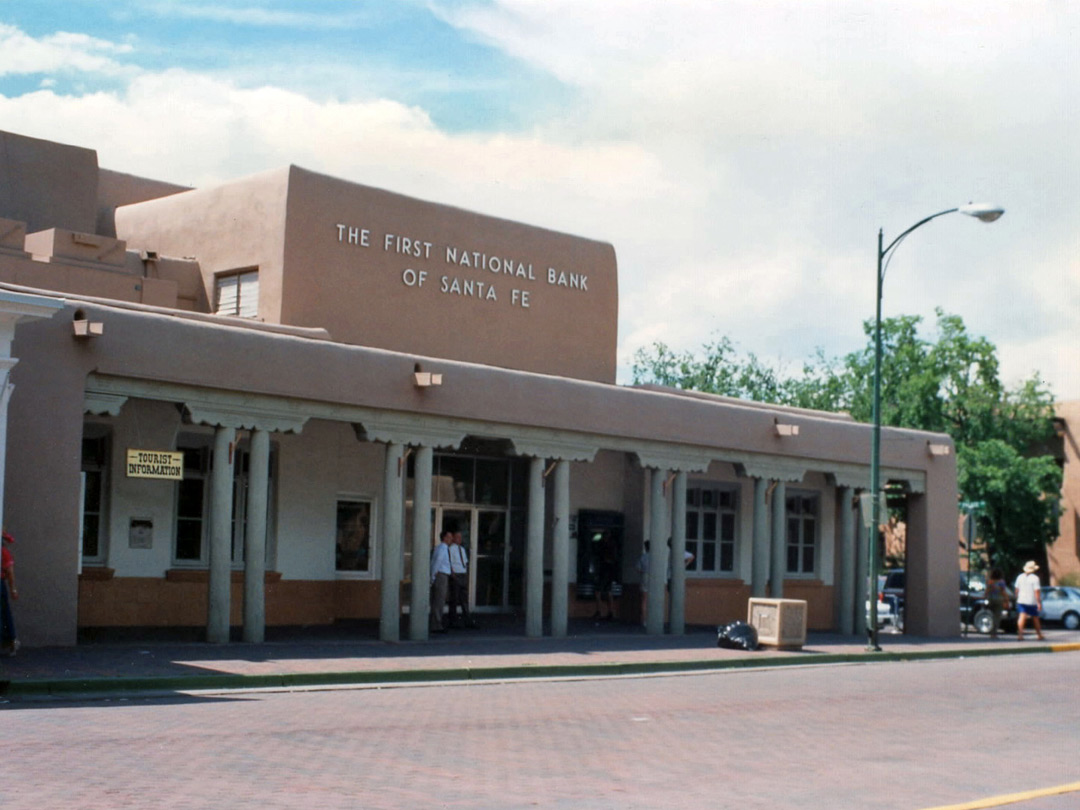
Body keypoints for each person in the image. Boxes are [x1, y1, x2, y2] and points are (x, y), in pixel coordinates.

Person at [447, 529, 476, 628]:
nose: (459, 539)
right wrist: (452, 573)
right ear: (454, 538)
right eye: (457, 537)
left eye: (460, 537)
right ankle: (453, 621)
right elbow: (449, 562)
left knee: (464, 599)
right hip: (456, 574)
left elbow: (465, 562)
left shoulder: (462, 549)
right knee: (454, 599)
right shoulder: (451, 549)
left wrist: (466, 572)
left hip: (462, 574)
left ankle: (467, 620)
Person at [429, 524, 454, 633]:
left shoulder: (442, 548)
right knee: (439, 601)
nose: (451, 539)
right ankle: (436, 625)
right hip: (441, 576)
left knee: (439, 601)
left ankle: (437, 623)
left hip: (443, 575)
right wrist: (433, 576)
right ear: (444, 538)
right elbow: (436, 563)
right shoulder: (442, 549)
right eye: (449, 537)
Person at [1014, 560, 1045, 641]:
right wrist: (1039, 602)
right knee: (1035, 618)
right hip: (1032, 601)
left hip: (1021, 600)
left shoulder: (1020, 577)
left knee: (1022, 617)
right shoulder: (1035, 578)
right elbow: (1036, 591)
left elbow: (1016, 589)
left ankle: (1020, 634)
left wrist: (1016, 597)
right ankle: (1039, 635)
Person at [592, 530, 619, 621]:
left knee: (598, 591)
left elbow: (598, 557)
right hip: (610, 572)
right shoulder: (613, 546)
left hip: (603, 572)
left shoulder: (602, 547)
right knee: (609, 592)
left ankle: (599, 611)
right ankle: (610, 612)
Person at [1, 530, 19, 656]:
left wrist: (13, 589)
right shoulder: (4, 552)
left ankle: (10, 641)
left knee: (3, 613)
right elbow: (10, 573)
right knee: (4, 613)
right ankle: (10, 641)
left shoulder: (3, 553)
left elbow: (10, 572)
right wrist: (13, 588)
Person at [984, 568, 1010, 640]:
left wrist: (985, 597)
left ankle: (991, 631)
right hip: (999, 599)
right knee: (997, 616)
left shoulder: (989, 581)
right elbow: (1003, 592)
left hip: (990, 599)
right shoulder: (1001, 582)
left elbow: (986, 591)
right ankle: (994, 633)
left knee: (991, 616)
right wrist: (1007, 600)